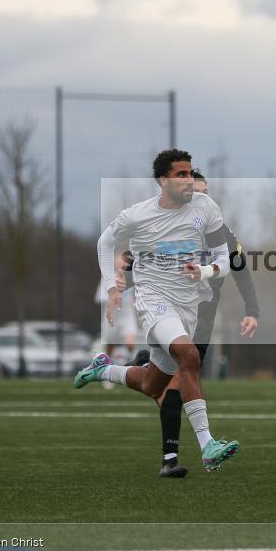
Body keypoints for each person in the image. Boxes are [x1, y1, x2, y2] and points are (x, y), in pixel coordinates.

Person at [74, 148, 239, 473]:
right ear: (163, 180)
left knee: (153, 385)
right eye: (181, 174)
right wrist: (111, 286)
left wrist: (203, 272)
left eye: (190, 173)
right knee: (189, 357)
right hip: (153, 302)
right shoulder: (137, 215)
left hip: (187, 307)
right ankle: (208, 446)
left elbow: (224, 260)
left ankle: (103, 370)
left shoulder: (206, 208)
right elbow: (103, 244)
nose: (188, 180)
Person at [121, 170, 260, 477]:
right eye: (196, 191)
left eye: (205, 191)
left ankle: (127, 370)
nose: (201, 196)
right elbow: (137, 264)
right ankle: (178, 457)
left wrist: (252, 310)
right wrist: (126, 284)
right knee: (175, 382)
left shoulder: (222, 233)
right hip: (171, 313)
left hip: (203, 321)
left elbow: (241, 270)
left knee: (168, 383)